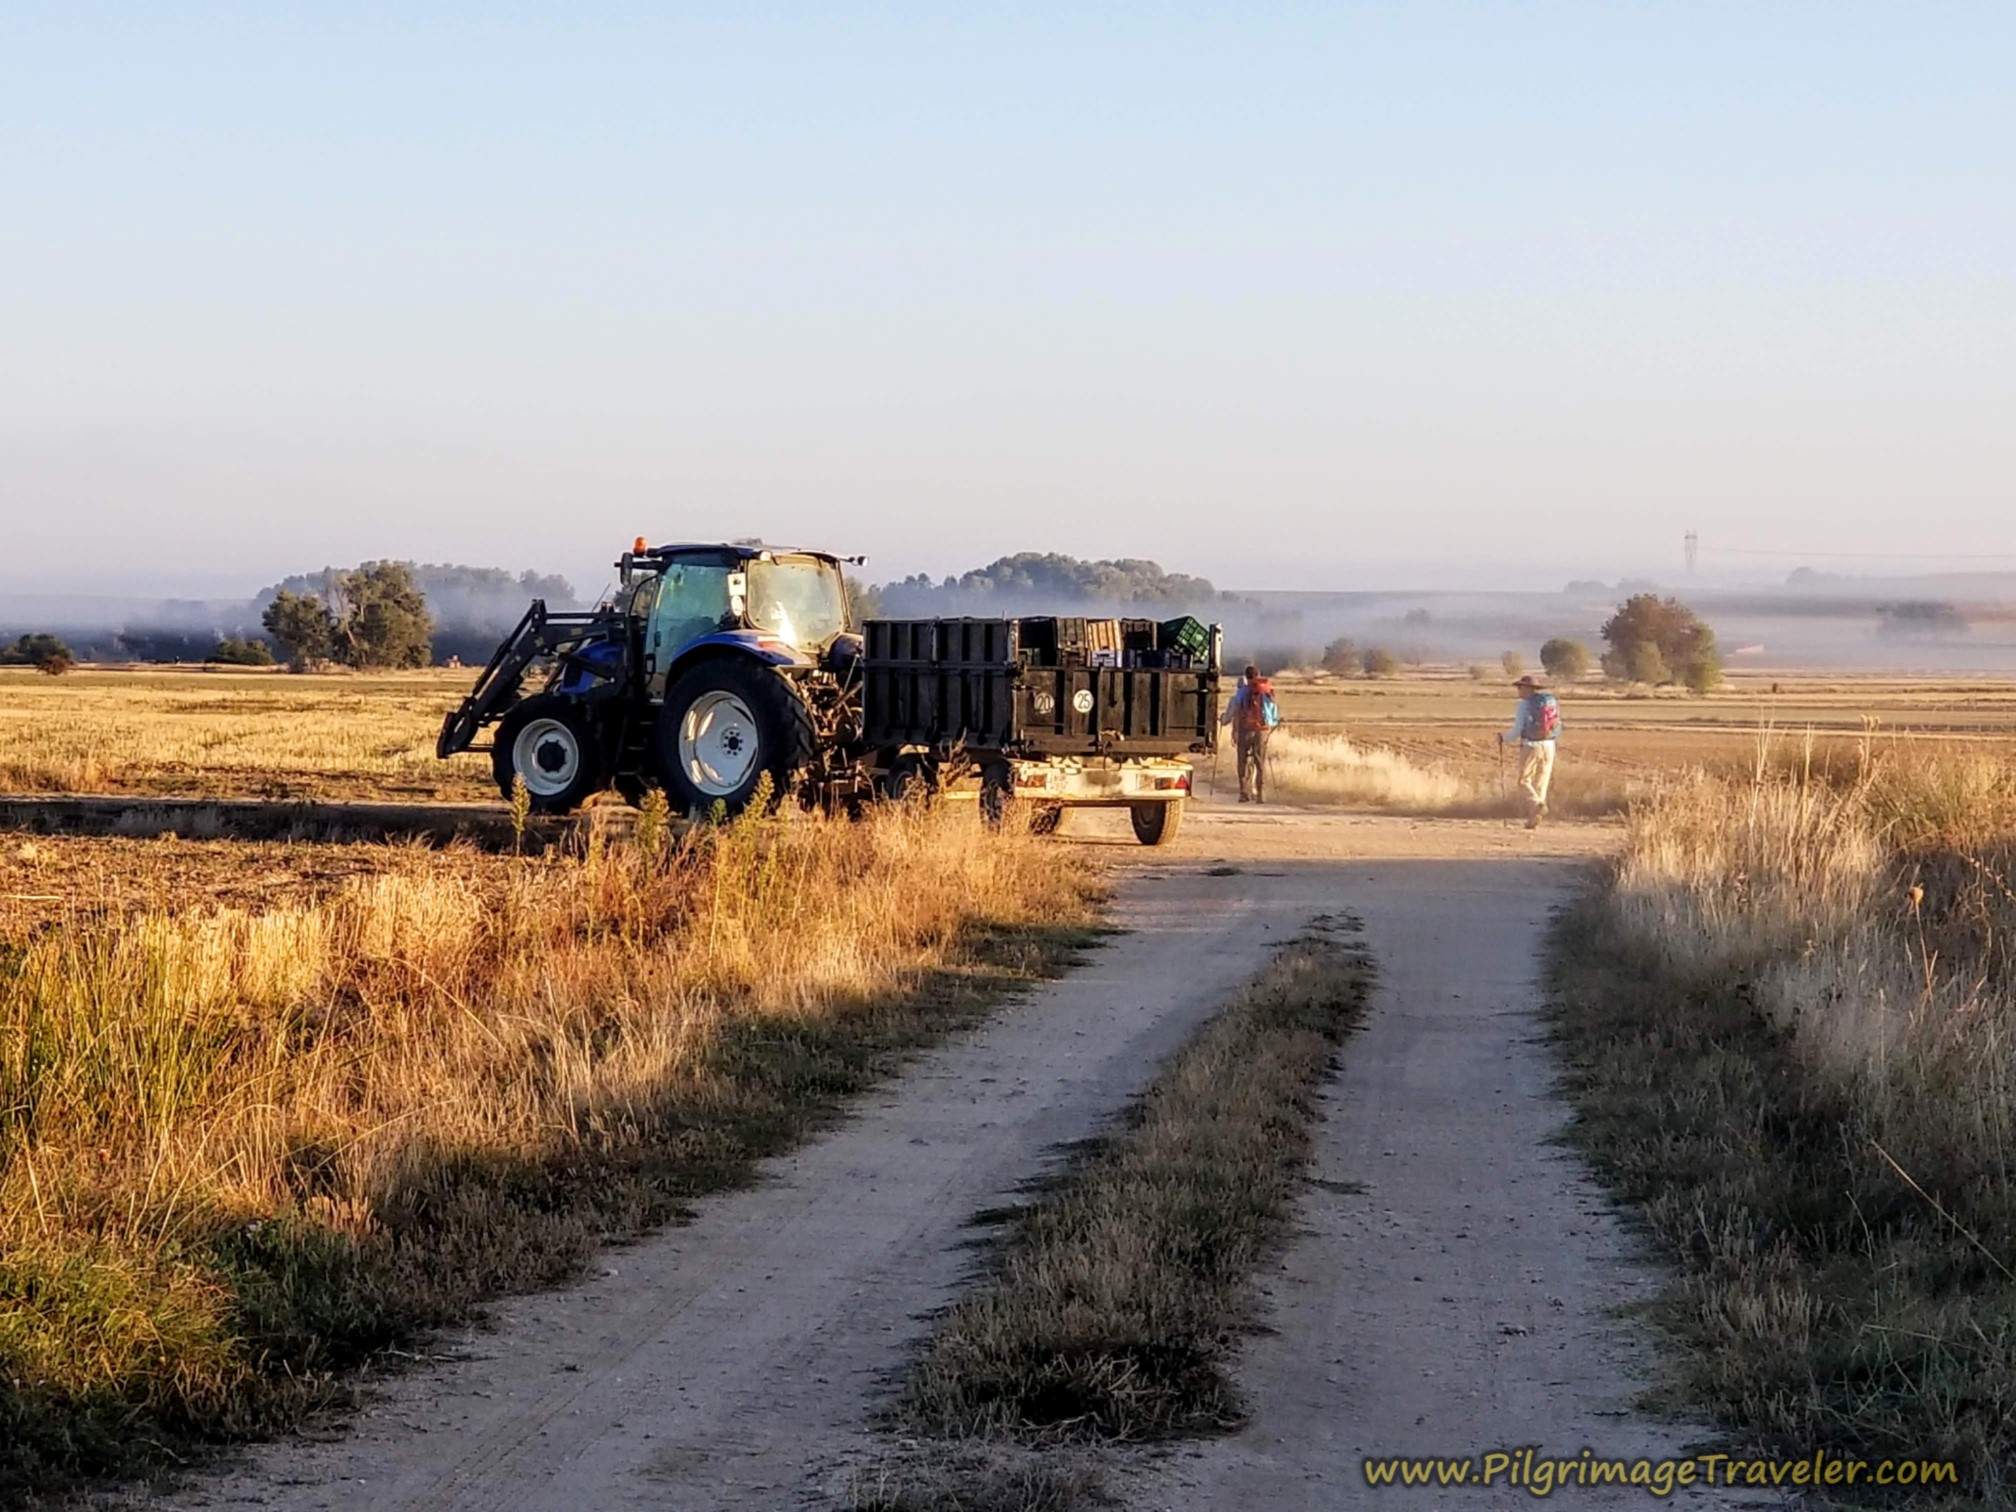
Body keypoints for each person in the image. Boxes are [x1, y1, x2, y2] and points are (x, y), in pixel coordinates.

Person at [1498, 673, 1561, 828]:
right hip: (1549, 746)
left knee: (1524, 781)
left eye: (1520, 687)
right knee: (1541, 782)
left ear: (1527, 689)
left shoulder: (1525, 705)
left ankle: (1537, 805)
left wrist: (1504, 738)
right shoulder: (1548, 702)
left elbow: (1518, 729)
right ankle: (1534, 818)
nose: (1518, 690)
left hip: (1532, 745)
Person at [1221, 663, 1281, 803]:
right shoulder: (1267, 690)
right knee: (1260, 763)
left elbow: (1236, 711)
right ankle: (1260, 794)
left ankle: (1244, 793)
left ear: (1246, 677)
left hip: (1245, 729)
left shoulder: (1243, 691)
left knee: (1243, 762)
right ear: (1258, 675)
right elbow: (1273, 713)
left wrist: (1234, 732)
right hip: (1262, 731)